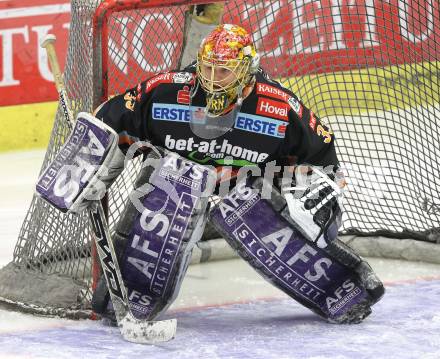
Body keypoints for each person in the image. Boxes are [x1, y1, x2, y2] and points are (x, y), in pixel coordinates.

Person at [89, 24, 384, 324]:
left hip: (249, 189)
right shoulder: (167, 90)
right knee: (173, 183)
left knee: (260, 212)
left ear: (246, 71)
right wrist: (88, 159)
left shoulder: (278, 109)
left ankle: (341, 289)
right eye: (208, 68)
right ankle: (131, 296)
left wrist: (316, 207)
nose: (213, 80)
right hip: (178, 185)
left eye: (224, 71)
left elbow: (323, 158)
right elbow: (109, 120)